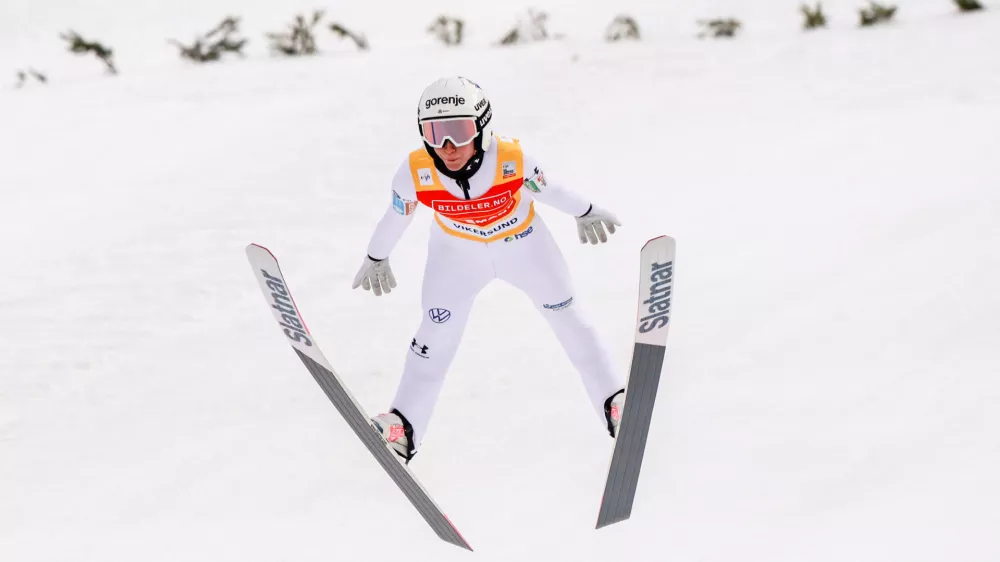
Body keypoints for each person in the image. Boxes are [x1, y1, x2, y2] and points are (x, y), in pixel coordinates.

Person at [353, 76, 626, 463]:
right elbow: (397, 216)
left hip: (524, 247)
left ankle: (614, 402)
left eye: (459, 131)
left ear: (481, 128)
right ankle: (403, 428)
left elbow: (551, 189)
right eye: (434, 134)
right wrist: (376, 256)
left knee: (569, 318)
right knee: (435, 334)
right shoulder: (415, 171)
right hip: (457, 256)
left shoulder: (511, 158)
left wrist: (586, 210)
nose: (447, 147)